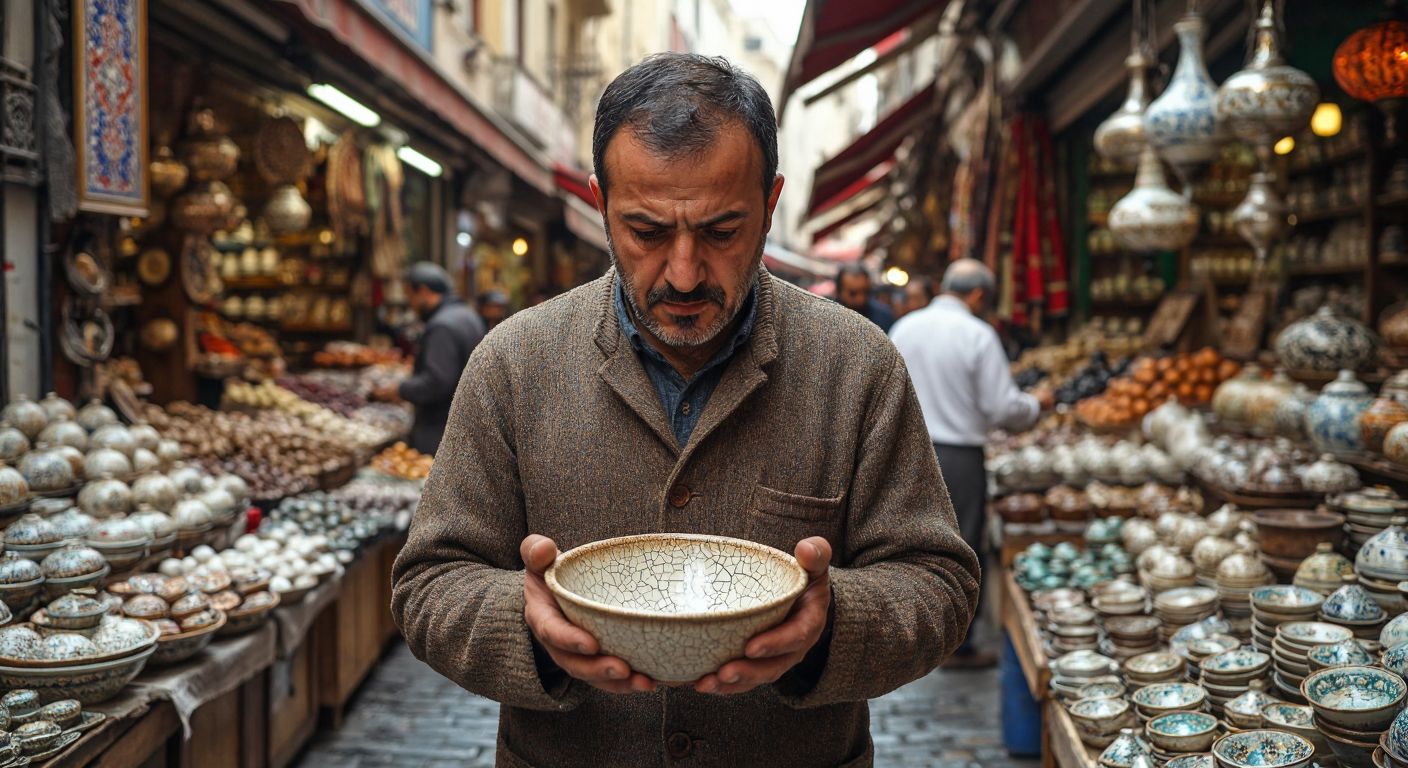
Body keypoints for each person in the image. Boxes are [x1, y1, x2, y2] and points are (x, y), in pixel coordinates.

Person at [392, 53, 979, 768]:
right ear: (600, 202)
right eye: (645, 232)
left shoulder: (857, 364)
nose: (683, 272)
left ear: (770, 204)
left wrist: (829, 627)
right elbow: (428, 584)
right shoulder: (513, 363)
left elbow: (939, 584)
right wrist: (528, 626)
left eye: (721, 232)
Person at [889, 258, 1052, 669]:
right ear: (978, 295)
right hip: (959, 457)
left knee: (907, 541)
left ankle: (910, 632)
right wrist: (1038, 405)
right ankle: (956, 645)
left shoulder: (905, 327)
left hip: (905, 446)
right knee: (960, 547)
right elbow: (1002, 407)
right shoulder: (978, 334)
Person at [377, 262, 486, 455]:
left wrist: (400, 389)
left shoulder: (441, 326)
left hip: (440, 429)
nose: (410, 304)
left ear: (424, 291)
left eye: (410, 295)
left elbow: (437, 382)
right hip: (465, 423)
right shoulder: (467, 315)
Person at [835, 263, 896, 332]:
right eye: (853, 293)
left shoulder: (884, 317)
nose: (860, 299)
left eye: (865, 292)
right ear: (838, 292)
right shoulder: (827, 317)